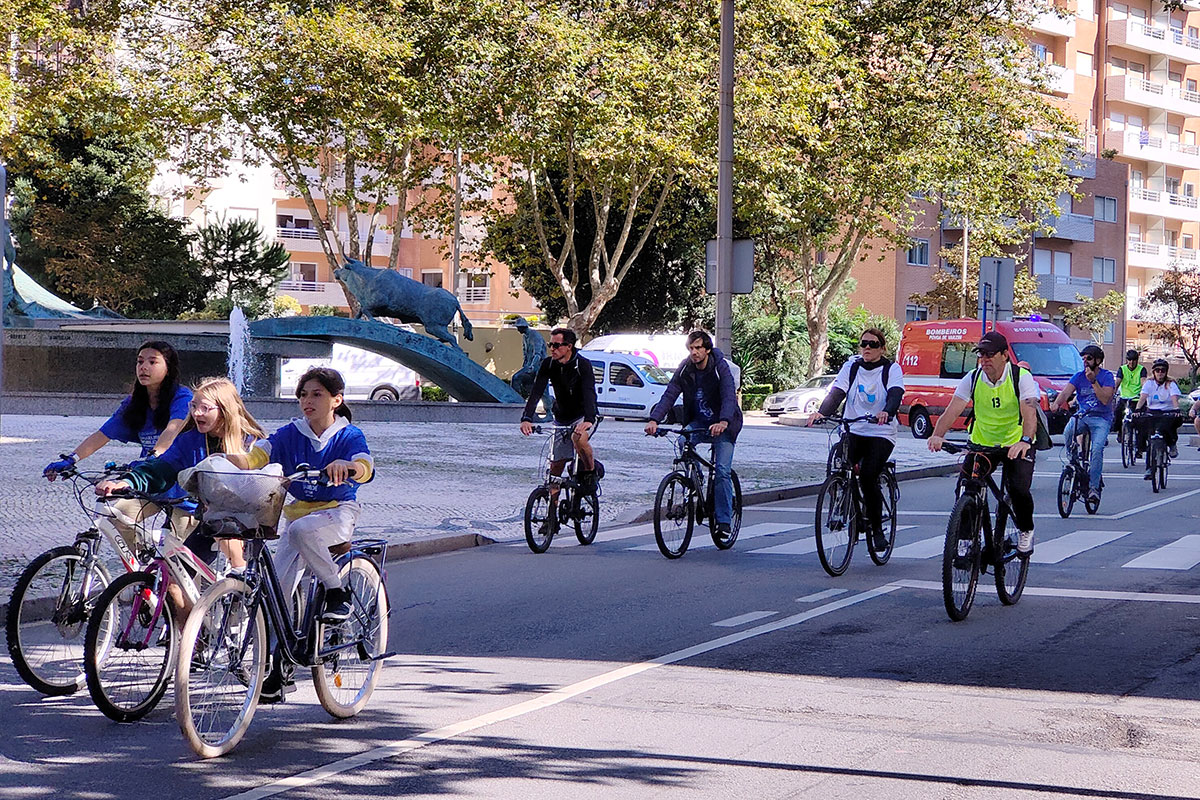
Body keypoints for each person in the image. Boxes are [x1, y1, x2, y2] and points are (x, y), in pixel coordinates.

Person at [241, 367, 374, 703]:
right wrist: (230, 462)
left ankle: (336, 590)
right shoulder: (292, 432)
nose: (307, 401)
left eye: (316, 394)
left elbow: (365, 466)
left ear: (336, 399)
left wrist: (348, 468)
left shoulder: (348, 435)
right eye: (303, 394)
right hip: (298, 514)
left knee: (301, 530)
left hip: (338, 512)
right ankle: (279, 667)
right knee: (276, 591)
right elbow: (260, 453)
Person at [93, 377, 267, 617]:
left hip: (245, 526)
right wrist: (127, 481)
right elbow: (162, 467)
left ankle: (240, 579)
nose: (197, 413)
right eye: (194, 406)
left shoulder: (253, 442)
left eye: (205, 408)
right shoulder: (191, 439)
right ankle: (189, 646)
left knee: (235, 560)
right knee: (173, 581)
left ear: (225, 410)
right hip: (209, 520)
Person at [44, 341, 193, 550]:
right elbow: (102, 434)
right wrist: (71, 459)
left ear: (169, 368)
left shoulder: (182, 397)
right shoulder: (134, 403)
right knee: (115, 514)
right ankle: (142, 569)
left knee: (176, 560)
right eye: (140, 362)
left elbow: (173, 429)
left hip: (183, 487)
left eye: (152, 362)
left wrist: (154, 455)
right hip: (150, 482)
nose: (144, 367)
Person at [928, 331, 1039, 555]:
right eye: (981, 354)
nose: (984, 359)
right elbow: (952, 410)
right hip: (982, 443)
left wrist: (1025, 441)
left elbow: (1029, 412)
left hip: (1015, 443)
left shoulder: (1020, 377)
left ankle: (1026, 529)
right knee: (965, 488)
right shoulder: (973, 377)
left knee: (1018, 489)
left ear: (1005, 355)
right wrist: (937, 435)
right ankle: (967, 539)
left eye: (989, 354)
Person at [806, 328, 905, 551]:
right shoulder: (851, 366)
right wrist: (822, 412)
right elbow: (837, 392)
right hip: (853, 428)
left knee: (869, 475)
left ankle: (877, 530)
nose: (867, 348)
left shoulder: (891, 369)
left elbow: (895, 393)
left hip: (881, 432)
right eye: (864, 344)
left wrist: (887, 411)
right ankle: (841, 506)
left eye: (873, 344)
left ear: (882, 348)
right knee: (839, 465)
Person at [645, 330, 743, 538]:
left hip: (724, 423)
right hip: (699, 422)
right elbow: (670, 393)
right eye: (691, 348)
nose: (694, 352)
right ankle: (695, 477)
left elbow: (728, 395)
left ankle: (724, 521)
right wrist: (654, 419)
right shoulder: (685, 369)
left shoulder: (719, 367)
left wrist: (724, 421)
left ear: (707, 349)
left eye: (698, 348)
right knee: (682, 440)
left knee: (722, 471)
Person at [519, 328, 599, 529]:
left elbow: (589, 393)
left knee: (578, 439)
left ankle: (590, 472)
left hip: (583, 415)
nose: (552, 349)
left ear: (568, 347)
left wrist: (588, 420)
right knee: (555, 469)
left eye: (556, 345)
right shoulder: (549, 364)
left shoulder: (583, 365)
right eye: (550, 345)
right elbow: (537, 390)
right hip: (561, 417)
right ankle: (551, 517)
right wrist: (526, 418)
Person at [1051, 344, 1115, 505]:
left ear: (1098, 361)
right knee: (1068, 431)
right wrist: (1056, 405)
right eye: (1084, 358)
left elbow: (1105, 399)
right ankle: (1074, 464)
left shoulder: (1106, 377)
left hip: (1101, 418)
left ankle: (1093, 488)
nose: (1085, 361)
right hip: (1083, 415)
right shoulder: (1078, 376)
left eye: (1089, 358)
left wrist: (1093, 381)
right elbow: (1066, 393)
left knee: (1097, 449)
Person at [1135, 359, 1184, 475]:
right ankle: (1147, 465)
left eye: (1162, 370)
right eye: (1157, 370)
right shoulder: (1149, 383)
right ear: (1154, 372)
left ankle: (1172, 444)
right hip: (1152, 412)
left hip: (1168, 412)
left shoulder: (1171, 384)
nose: (1160, 373)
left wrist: (1176, 409)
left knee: (1170, 425)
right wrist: (1137, 409)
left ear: (1166, 372)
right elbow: (1143, 397)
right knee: (1145, 430)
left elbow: (1174, 398)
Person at [1114, 350, 1146, 432]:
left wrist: (1145, 393)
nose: (1131, 362)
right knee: (1117, 414)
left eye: (1134, 360)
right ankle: (1119, 431)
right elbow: (1117, 382)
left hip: (1136, 399)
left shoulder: (1141, 369)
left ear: (1137, 360)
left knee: (1141, 419)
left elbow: (1143, 383)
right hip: (1124, 398)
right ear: (1127, 360)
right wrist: (1113, 393)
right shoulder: (1122, 369)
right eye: (1129, 360)